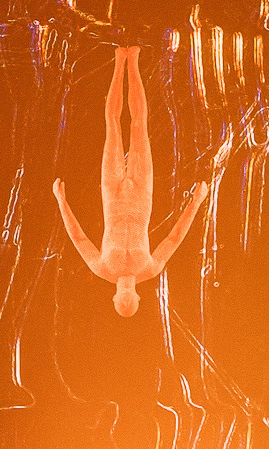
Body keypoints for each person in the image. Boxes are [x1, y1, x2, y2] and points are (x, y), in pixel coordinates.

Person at [53, 45, 208, 316]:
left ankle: (119, 62)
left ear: (114, 299)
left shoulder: (101, 268)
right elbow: (174, 238)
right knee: (139, 125)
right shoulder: (150, 268)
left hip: (112, 192)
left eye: (121, 305)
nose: (125, 302)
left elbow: (78, 236)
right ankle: (132, 60)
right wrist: (195, 203)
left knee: (112, 126)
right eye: (130, 305)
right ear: (138, 298)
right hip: (141, 192)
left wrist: (61, 201)